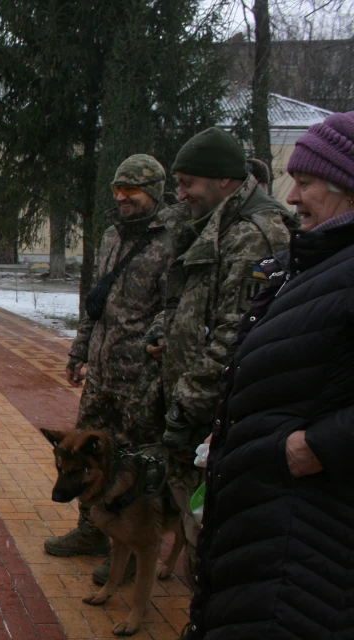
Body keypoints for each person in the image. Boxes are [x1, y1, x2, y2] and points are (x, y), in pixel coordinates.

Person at [185, 111, 354, 640]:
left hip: (304, 549)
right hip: (259, 530)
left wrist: (321, 443)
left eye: (305, 184)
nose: (293, 197)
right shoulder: (311, 263)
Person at [143, 126, 291, 575]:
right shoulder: (213, 224)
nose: (181, 193)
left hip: (219, 416)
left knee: (220, 543)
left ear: (224, 180)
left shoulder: (254, 233)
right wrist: (162, 331)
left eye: (189, 183)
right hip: (196, 412)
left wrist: (187, 403)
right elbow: (188, 301)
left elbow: (238, 332)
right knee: (196, 531)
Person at [46, 155, 176, 587]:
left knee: (135, 466)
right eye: (117, 189)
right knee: (82, 457)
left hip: (141, 379)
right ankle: (92, 530)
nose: (121, 197)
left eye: (131, 191)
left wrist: (157, 346)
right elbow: (95, 302)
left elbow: (174, 310)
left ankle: (136, 549)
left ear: (154, 193)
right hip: (101, 372)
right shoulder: (109, 238)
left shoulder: (173, 241)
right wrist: (79, 351)